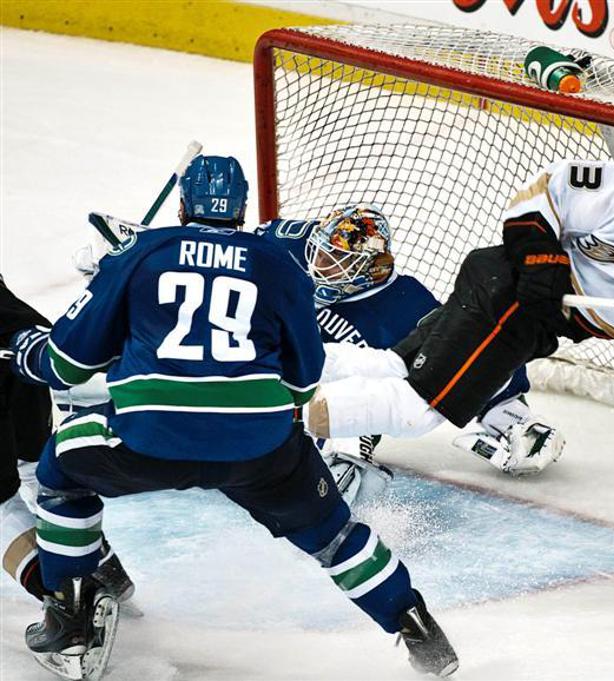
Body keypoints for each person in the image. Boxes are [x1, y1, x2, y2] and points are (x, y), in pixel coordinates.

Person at [9, 156, 458, 680]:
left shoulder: (140, 252)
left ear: (183, 205)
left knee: (61, 474)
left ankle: (72, 619)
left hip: (148, 439)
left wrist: (25, 350)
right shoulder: (278, 263)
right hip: (261, 447)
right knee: (333, 535)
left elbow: (66, 363)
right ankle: (417, 627)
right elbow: (304, 381)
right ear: (242, 208)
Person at [304, 160, 614, 444]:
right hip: (510, 291)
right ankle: (279, 422)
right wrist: (542, 261)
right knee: (417, 410)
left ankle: (290, 364)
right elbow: (543, 190)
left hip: (541, 324)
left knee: (395, 366)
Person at [255, 205, 565, 494]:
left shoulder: (408, 309)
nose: (320, 266)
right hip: (262, 354)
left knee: (364, 386)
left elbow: (475, 350)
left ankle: (345, 450)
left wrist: (511, 416)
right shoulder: (290, 242)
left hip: (321, 384)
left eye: (336, 261)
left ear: (369, 268)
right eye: (321, 252)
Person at [0, 278, 133, 605]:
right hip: (22, 346)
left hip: (19, 348)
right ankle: (103, 569)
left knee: (1, 505)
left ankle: (71, 603)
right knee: (36, 469)